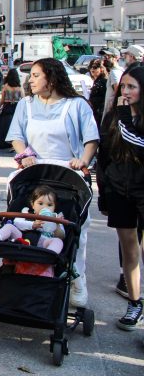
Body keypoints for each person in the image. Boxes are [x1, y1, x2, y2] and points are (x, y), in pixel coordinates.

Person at [5, 57, 99, 308]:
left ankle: (78, 279)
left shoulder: (77, 105)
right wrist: (24, 154)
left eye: (36, 75)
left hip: (68, 171)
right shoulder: (26, 105)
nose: (30, 80)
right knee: (27, 226)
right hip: (35, 172)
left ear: (52, 78)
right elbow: (16, 136)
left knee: (74, 229)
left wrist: (84, 160)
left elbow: (91, 138)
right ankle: (24, 276)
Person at [96, 66, 144, 332]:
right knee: (129, 248)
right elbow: (104, 153)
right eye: (122, 87)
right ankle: (135, 302)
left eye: (132, 87)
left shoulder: (124, 118)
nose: (125, 92)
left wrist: (124, 115)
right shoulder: (115, 116)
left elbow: (137, 143)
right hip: (119, 189)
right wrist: (104, 191)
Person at [0, 185, 65, 254]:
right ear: (33, 205)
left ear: (54, 207)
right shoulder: (27, 214)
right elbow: (17, 223)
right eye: (40, 203)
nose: (44, 207)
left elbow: (61, 236)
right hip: (23, 239)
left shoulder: (56, 219)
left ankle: (49, 254)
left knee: (58, 241)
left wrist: (57, 225)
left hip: (43, 244)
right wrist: (32, 225)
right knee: (9, 226)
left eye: (49, 205)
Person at [0, 68, 23, 150]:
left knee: (2, 126)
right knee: (16, 125)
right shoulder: (19, 87)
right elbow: (23, 99)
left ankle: (1, 142)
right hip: (16, 107)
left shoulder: (6, 86)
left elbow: (2, 99)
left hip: (7, 107)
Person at [101, 47, 123, 118]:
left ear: (116, 57)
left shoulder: (115, 72)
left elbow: (117, 93)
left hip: (110, 112)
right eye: (104, 56)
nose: (105, 59)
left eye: (108, 56)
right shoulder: (119, 70)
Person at [87, 58, 108, 131]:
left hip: (100, 113)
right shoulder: (97, 81)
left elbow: (104, 98)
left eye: (95, 67)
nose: (92, 69)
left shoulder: (103, 81)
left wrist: (92, 102)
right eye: (90, 67)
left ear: (101, 69)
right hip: (95, 113)